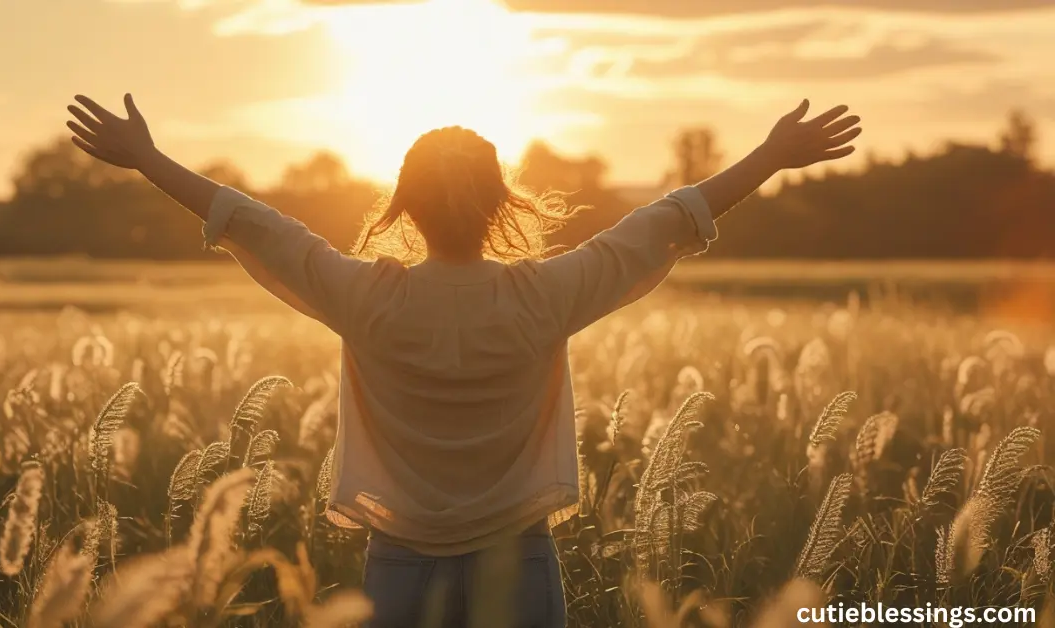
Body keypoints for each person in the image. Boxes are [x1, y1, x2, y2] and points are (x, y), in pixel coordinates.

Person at [65, 94, 860, 627]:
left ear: (403, 206)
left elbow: (254, 225)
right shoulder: (543, 296)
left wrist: (146, 157)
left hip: (399, 567)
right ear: (500, 206)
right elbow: (663, 223)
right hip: (518, 560)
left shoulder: (366, 296)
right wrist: (769, 155)